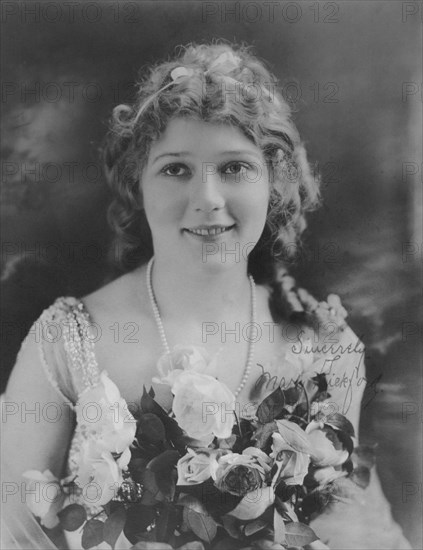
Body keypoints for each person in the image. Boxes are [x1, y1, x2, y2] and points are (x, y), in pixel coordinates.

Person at [1, 41, 412, 550]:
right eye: (176, 169)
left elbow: (342, 529)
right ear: (139, 183)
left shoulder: (325, 350)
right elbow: (11, 527)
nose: (207, 200)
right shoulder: (66, 341)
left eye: (235, 168)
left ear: (274, 183)